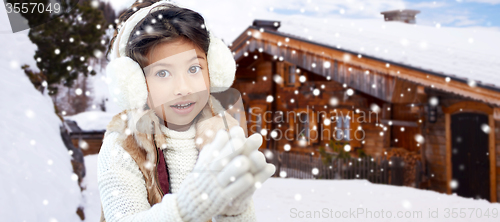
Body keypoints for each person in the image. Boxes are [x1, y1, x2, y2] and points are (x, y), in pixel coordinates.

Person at [97, 0, 275, 221]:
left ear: (213, 69)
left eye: (193, 68)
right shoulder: (122, 145)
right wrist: (187, 207)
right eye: (162, 73)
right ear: (135, 84)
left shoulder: (221, 134)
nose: (183, 89)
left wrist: (235, 209)